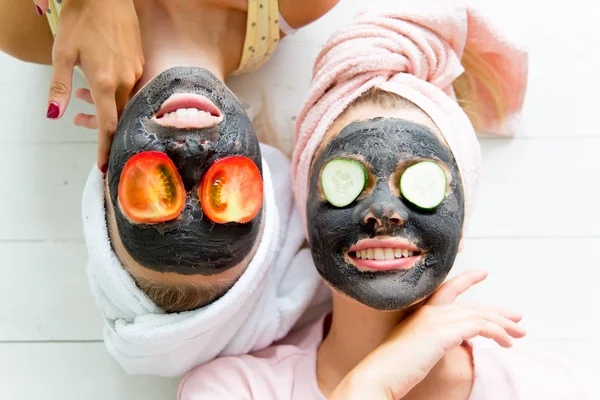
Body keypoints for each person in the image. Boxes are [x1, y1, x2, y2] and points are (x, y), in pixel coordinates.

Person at [179, 2, 596, 399]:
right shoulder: (233, 391)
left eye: (421, 182)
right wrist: (375, 383)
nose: (384, 213)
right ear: (307, 215)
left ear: (463, 218)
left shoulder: (560, 391)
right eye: (346, 181)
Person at [0, 0, 337, 376]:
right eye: (223, 191)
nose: (190, 152)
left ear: (105, 186)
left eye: (152, 192)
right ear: (261, 177)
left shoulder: (24, 32)